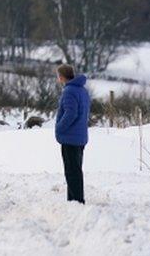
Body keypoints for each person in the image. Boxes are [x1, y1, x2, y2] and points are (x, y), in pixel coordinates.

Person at [55, 64, 90, 204]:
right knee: (75, 169)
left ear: (62, 77)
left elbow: (71, 113)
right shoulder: (82, 90)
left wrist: (59, 128)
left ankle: (77, 201)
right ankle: (73, 200)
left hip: (70, 137)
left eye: (58, 76)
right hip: (80, 136)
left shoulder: (69, 91)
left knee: (72, 172)